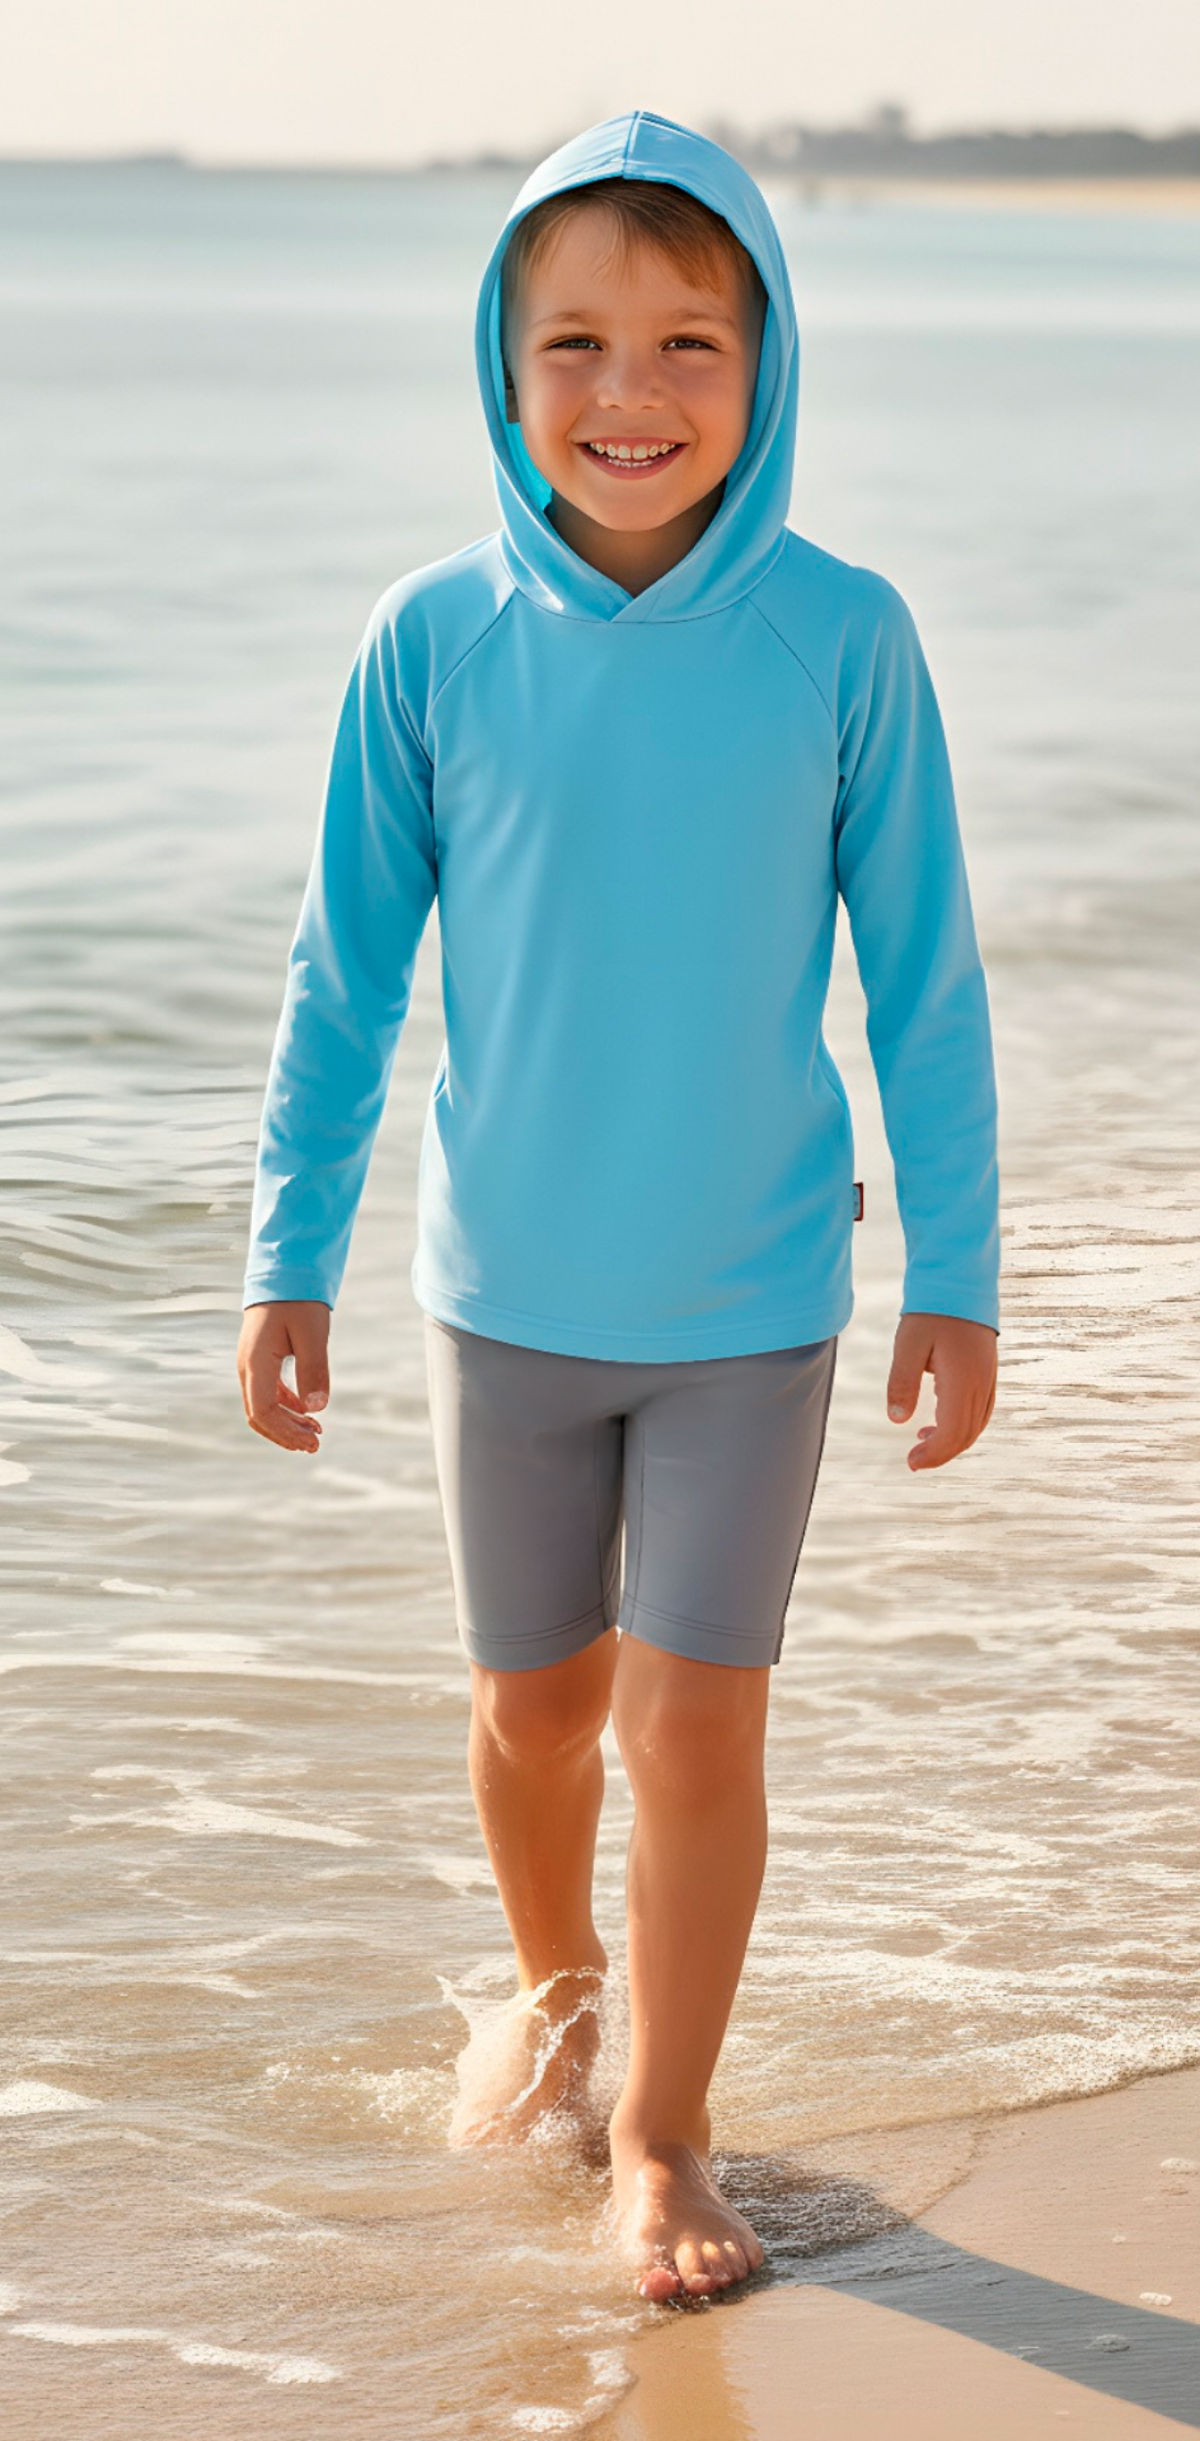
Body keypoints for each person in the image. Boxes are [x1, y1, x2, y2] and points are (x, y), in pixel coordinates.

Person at [236, 110, 1000, 2304]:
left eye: (690, 342)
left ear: (769, 369)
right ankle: (562, 2007)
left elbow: (925, 973)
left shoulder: (841, 637)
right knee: (535, 1710)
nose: (629, 395)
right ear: (498, 364)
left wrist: (957, 1266)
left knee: (693, 1715)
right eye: (571, 342)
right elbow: (343, 971)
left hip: (759, 1290)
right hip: (506, 1300)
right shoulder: (432, 638)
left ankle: (661, 2133)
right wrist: (285, 1250)